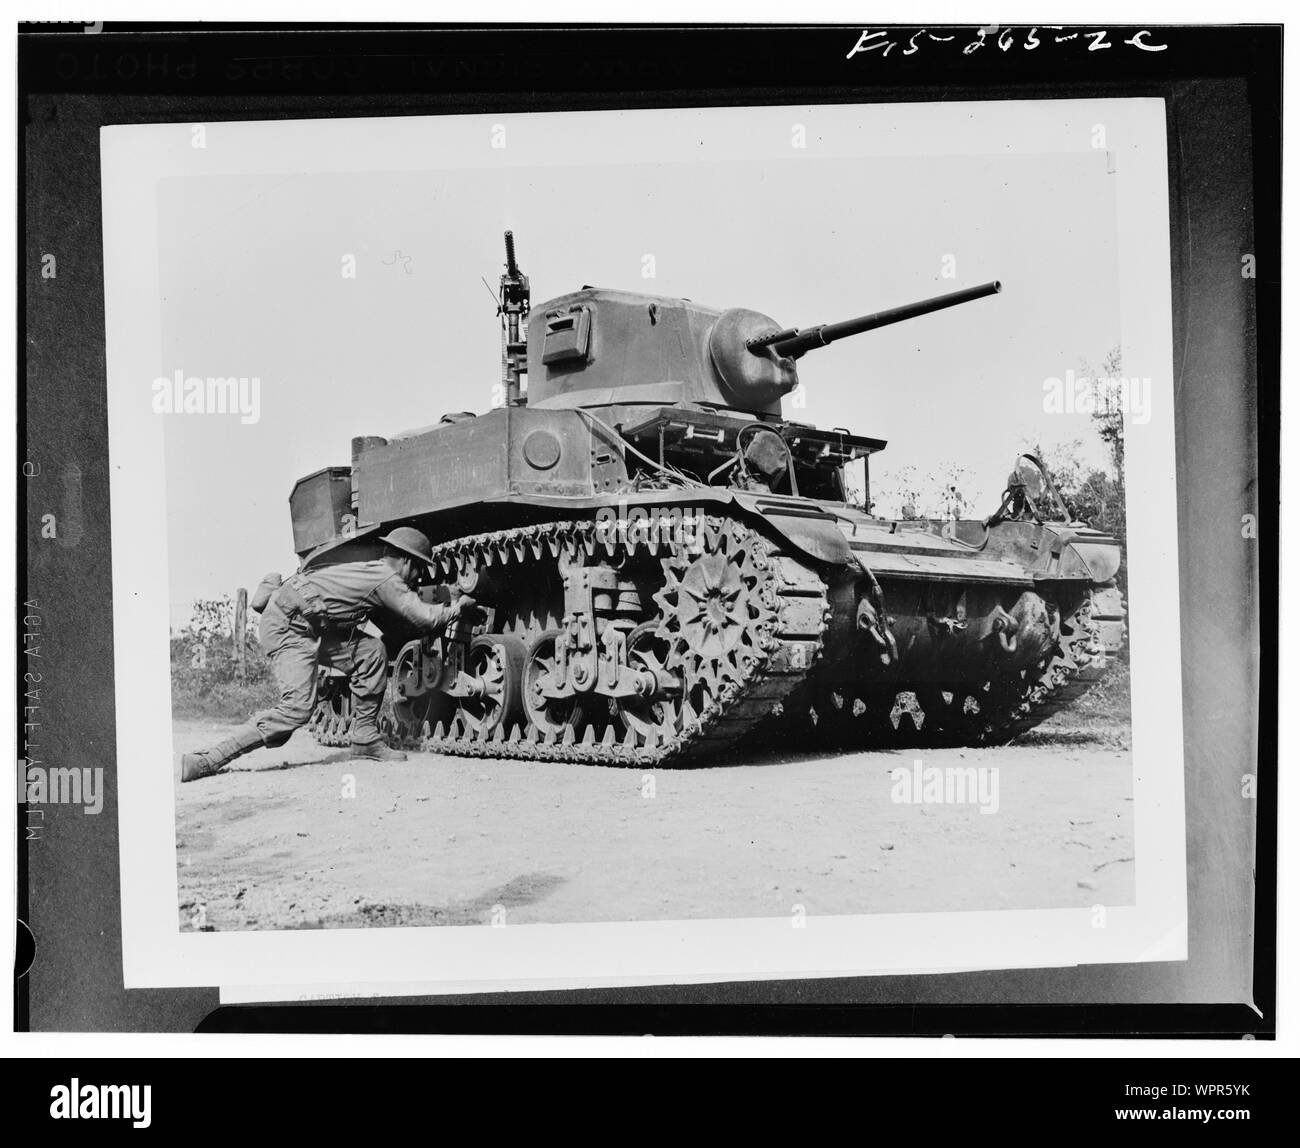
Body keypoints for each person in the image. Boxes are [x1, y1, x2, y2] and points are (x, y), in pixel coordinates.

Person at [181, 527, 474, 782]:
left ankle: (365, 738)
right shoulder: (387, 578)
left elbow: (404, 610)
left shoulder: (373, 570)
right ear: (408, 561)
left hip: (310, 624)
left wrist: (448, 594)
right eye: (419, 570)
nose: (418, 578)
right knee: (296, 709)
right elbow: (422, 616)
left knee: (371, 651)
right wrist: (456, 608)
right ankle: (207, 759)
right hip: (288, 626)